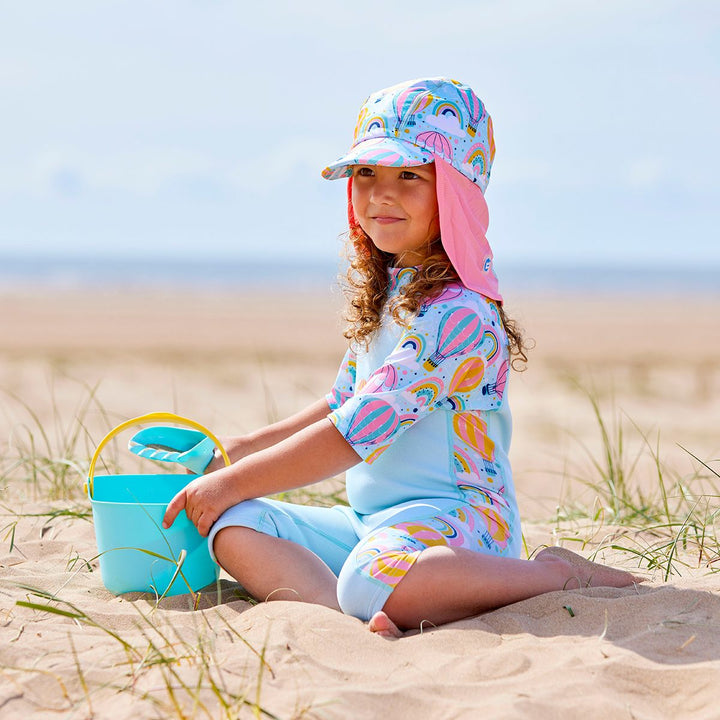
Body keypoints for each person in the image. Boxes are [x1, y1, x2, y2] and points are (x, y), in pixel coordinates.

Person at [163, 77, 636, 637]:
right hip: (372, 524)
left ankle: (552, 575)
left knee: (362, 572)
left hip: (459, 523)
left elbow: (355, 431)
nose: (381, 194)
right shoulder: (395, 292)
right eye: (367, 174)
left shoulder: (458, 315)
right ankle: (343, 619)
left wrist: (233, 479)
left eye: (409, 176)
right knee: (233, 525)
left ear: (454, 194)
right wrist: (240, 453)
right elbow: (342, 401)